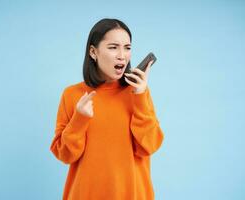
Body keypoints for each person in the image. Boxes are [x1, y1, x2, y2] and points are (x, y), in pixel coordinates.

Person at [50, 18, 164, 200]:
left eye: (127, 47)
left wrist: (140, 96)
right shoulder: (72, 94)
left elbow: (149, 146)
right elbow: (65, 155)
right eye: (113, 47)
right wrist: (79, 119)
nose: (122, 55)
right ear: (93, 52)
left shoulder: (138, 93)